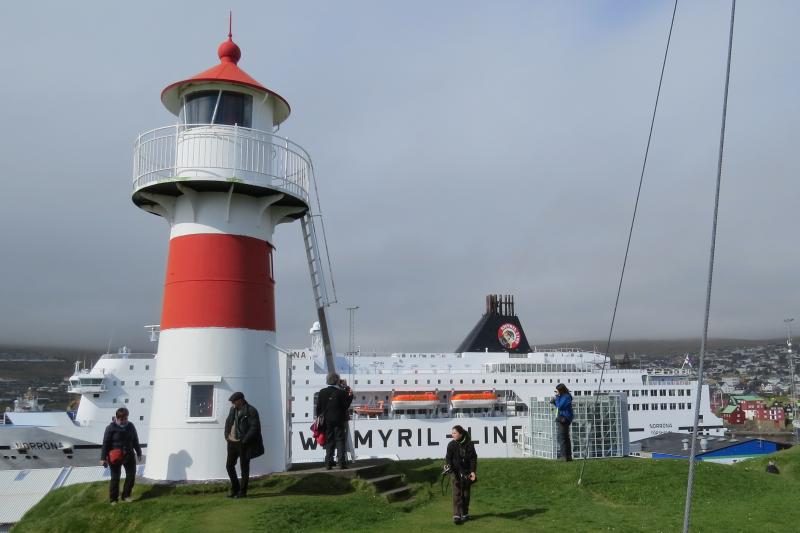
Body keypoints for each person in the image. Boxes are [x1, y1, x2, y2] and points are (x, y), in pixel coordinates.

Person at [224, 391, 264, 498]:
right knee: (229, 466)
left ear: (240, 400)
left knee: (244, 468)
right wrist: (227, 436)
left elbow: (254, 428)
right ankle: (235, 488)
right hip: (232, 443)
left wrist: (244, 440)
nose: (232, 404)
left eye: (234, 401)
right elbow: (228, 422)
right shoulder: (233, 410)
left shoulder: (251, 411)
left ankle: (242, 492)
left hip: (244, 444)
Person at [100, 407, 142, 505]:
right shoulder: (110, 428)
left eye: (125, 419)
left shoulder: (131, 426)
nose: (124, 421)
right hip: (115, 456)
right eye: (121, 419)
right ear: (117, 418)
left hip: (129, 455)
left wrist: (139, 452)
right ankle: (113, 499)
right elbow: (105, 443)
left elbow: (135, 439)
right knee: (115, 477)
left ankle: (126, 495)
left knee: (131, 475)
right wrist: (103, 458)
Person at [316, 373, 353, 469]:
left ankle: (328, 462)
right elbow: (346, 406)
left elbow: (318, 408)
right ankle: (341, 463)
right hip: (339, 419)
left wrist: (320, 417)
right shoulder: (341, 392)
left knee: (329, 440)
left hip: (327, 420)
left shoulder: (322, 392)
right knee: (340, 440)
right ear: (337, 381)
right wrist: (348, 390)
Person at [445, 425, 477, 525]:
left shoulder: (470, 444)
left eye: (454, 433)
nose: (452, 435)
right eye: (452, 433)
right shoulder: (451, 444)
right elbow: (448, 458)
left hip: (467, 473)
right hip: (455, 472)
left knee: (466, 494)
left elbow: (473, 459)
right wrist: (448, 466)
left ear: (461, 434)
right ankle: (457, 515)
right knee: (457, 494)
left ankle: (465, 514)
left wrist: (472, 471)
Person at [550, 383, 574, 461]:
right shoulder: (564, 396)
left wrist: (556, 398)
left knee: (562, 438)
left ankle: (564, 456)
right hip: (562, 417)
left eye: (557, 391)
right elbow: (559, 406)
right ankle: (568, 456)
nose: (556, 393)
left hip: (564, 418)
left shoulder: (566, 397)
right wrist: (556, 400)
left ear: (561, 390)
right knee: (565, 437)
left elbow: (560, 406)